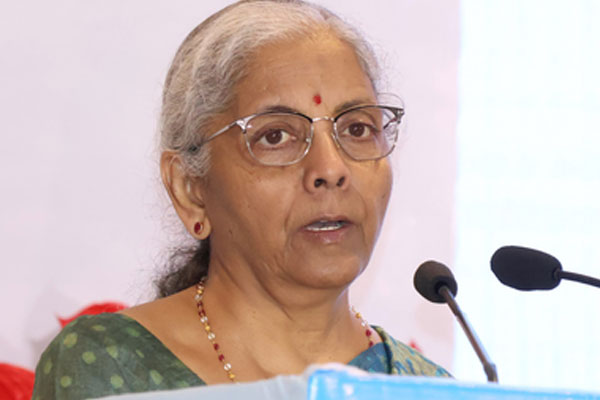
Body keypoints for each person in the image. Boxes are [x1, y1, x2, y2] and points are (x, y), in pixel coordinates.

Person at [32, 0, 450, 398]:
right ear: (190, 189)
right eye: (275, 136)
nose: (330, 168)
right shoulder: (113, 369)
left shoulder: (429, 387)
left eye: (357, 129)